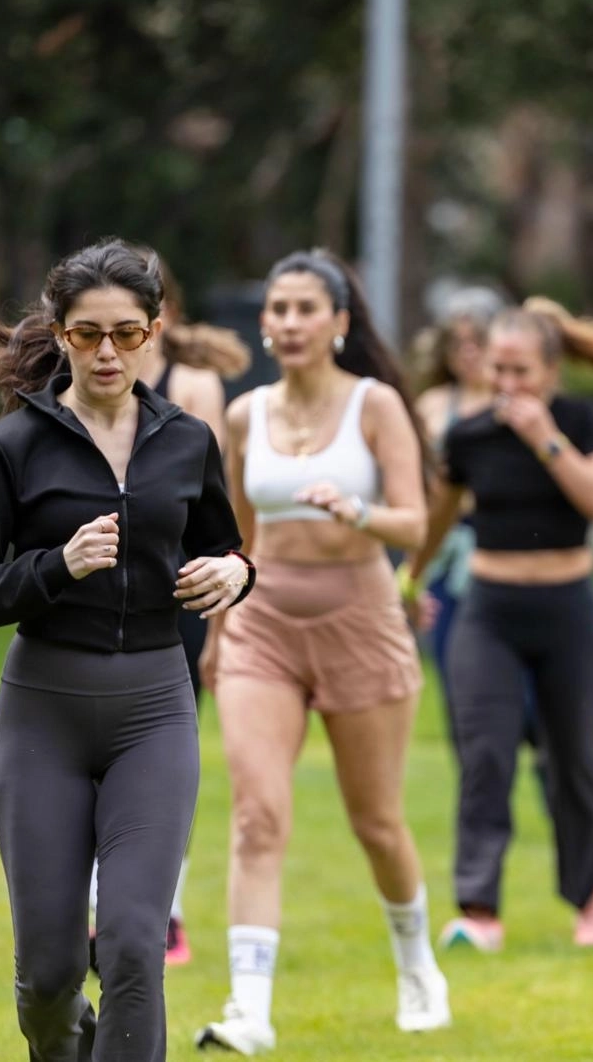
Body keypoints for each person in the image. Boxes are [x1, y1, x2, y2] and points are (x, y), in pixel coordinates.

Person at [0, 238, 254, 1061]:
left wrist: (237, 573)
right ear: (61, 333)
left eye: (125, 333)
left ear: (155, 332)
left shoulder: (187, 441)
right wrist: (58, 565)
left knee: (132, 949)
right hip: (43, 711)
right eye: (87, 334)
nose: (107, 352)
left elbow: (224, 545)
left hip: (153, 709)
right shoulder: (13, 447)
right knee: (49, 976)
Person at [194, 249, 449, 1054]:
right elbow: (237, 539)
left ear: (339, 322)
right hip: (262, 625)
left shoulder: (376, 405)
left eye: (307, 308)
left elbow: (416, 521)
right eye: (279, 309)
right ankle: (249, 1010)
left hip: (360, 620)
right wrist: (218, 632)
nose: (291, 322)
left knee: (376, 822)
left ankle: (417, 965)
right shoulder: (246, 415)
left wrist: (357, 512)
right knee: (256, 814)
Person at [408, 296, 593, 953]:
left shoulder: (581, 421)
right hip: (489, 613)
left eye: (521, 372)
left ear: (551, 370)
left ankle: (592, 899)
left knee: (573, 759)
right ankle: (478, 910)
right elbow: (438, 514)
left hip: (569, 613)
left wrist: (546, 440)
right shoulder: (470, 435)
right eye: (498, 371)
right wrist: (408, 580)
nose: (507, 385)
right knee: (485, 756)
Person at [88, 253, 253, 968]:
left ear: (160, 319)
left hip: (174, 592)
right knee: (88, 756)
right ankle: (99, 910)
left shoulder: (192, 386)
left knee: (160, 763)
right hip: (91, 590)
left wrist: (219, 623)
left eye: (129, 322)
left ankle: (167, 914)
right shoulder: (80, 384)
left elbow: (202, 491)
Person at [407, 288, 550, 835]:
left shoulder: (520, 402)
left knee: (532, 695)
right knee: (463, 689)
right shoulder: (431, 407)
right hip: (448, 560)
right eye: (458, 342)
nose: (467, 352)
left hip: (508, 549)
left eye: (477, 341)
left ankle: (546, 773)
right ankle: (483, 802)